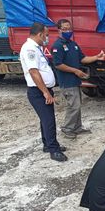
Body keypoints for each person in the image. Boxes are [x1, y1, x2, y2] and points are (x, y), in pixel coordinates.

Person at [51, 19, 105, 139]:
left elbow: (82, 59)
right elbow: (58, 64)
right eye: (64, 29)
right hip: (67, 82)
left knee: (77, 104)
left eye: (69, 28)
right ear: (59, 30)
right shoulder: (57, 46)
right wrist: (75, 71)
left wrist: (97, 57)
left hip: (75, 81)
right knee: (73, 106)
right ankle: (67, 128)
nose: (67, 31)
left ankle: (77, 127)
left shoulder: (73, 44)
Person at [20, 22, 67, 162]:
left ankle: (48, 144)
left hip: (43, 90)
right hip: (38, 92)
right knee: (49, 120)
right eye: (46, 35)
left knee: (45, 120)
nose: (47, 38)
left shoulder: (36, 47)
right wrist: (45, 92)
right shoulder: (30, 49)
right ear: (39, 34)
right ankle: (54, 149)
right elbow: (34, 72)